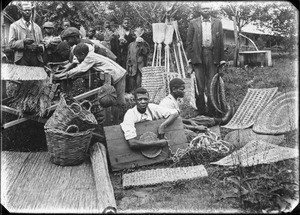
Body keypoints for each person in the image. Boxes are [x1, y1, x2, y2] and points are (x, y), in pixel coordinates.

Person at [54, 43, 126, 105]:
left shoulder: (89, 58)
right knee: (111, 98)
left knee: (118, 101)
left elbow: (79, 70)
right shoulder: (90, 55)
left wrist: (59, 76)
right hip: (115, 73)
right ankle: (114, 117)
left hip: (118, 74)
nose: (77, 59)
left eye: (78, 57)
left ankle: (119, 117)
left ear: (82, 54)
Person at [186, 4, 225, 117]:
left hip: (213, 55)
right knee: (199, 86)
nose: (206, 10)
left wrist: (221, 60)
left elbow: (221, 42)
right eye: (204, 8)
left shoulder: (217, 22)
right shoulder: (193, 22)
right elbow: (188, 42)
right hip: (198, 56)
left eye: (208, 8)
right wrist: (190, 61)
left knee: (212, 84)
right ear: (200, 10)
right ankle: (201, 111)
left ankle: (212, 111)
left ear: (211, 9)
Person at [8, 2, 44, 66]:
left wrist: (40, 47)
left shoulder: (37, 27)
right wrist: (23, 42)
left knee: (36, 75)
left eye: (29, 10)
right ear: (21, 11)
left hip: (35, 57)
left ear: (31, 11)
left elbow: (42, 43)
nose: (27, 12)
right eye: (25, 10)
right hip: (21, 58)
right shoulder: (14, 26)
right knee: (22, 75)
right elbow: (11, 44)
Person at [126, 28, 150, 93]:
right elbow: (128, 56)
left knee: (139, 80)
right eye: (136, 32)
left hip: (140, 65)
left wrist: (142, 44)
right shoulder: (131, 45)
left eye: (139, 32)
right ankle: (132, 94)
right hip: (132, 66)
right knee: (131, 80)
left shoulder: (144, 44)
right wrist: (128, 67)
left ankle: (139, 93)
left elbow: (146, 53)